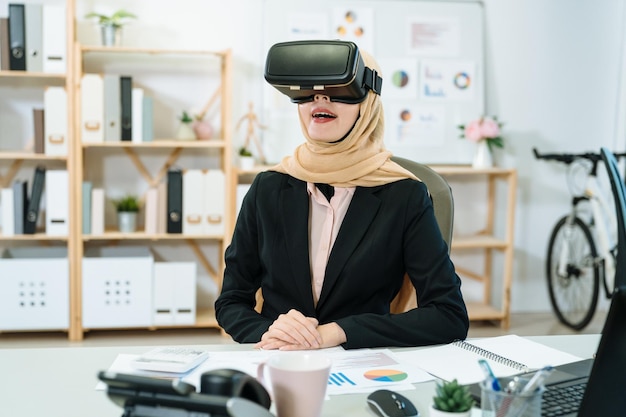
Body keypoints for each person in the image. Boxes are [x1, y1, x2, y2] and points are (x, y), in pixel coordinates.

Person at [215, 40, 469, 350]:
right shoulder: (267, 188)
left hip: (360, 362)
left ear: (369, 102)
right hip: (279, 358)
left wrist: (338, 332)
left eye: (339, 87)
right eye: (307, 90)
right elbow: (231, 301)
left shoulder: (405, 196)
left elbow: (449, 315)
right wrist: (270, 331)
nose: (320, 97)